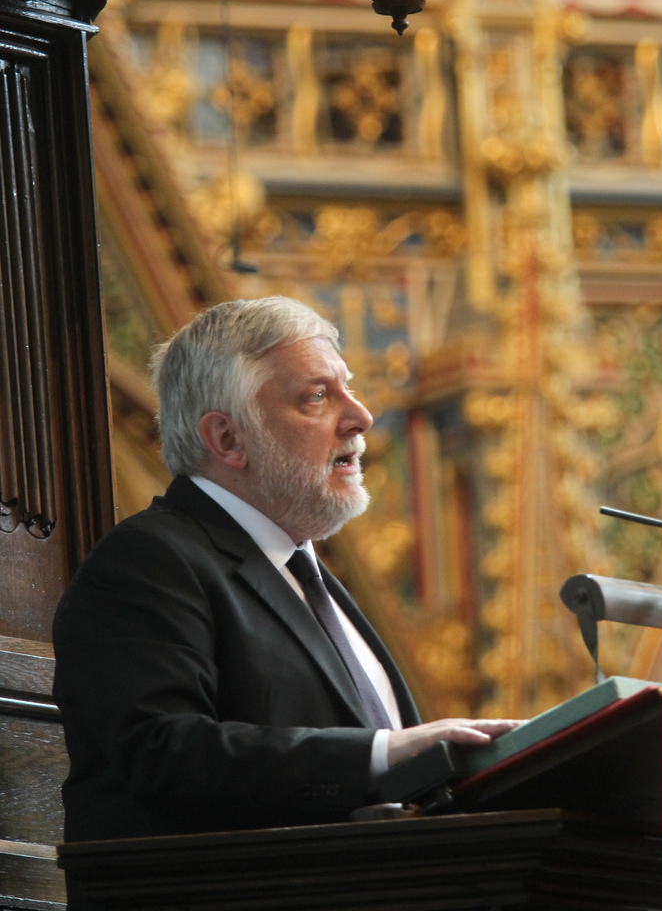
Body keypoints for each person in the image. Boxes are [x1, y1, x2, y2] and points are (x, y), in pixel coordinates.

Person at [53, 296, 518, 860]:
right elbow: (165, 753)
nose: (361, 416)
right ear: (228, 440)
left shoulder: (308, 574)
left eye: (348, 387)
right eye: (317, 396)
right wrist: (382, 753)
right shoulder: (147, 562)